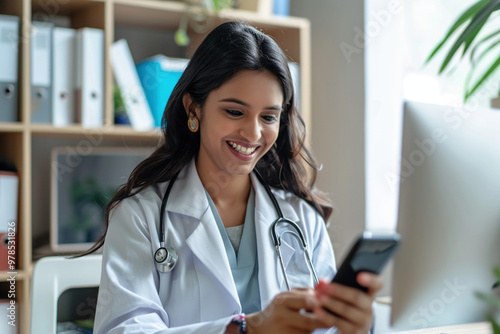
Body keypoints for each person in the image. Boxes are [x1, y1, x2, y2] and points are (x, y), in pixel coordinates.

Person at [88, 21, 383, 334]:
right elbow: (123, 329)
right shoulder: (140, 216)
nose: (253, 133)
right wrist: (247, 329)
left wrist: (357, 325)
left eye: (268, 116)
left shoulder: (300, 217)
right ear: (194, 109)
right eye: (234, 112)